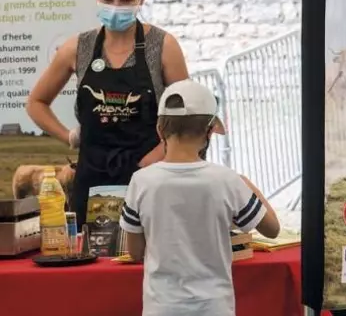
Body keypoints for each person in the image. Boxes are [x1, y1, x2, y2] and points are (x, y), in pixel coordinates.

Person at [27, 0, 189, 226]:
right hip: (93, 177)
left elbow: (190, 113)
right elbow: (36, 102)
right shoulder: (78, 48)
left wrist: (163, 151)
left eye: (126, 0)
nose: (116, 7)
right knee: (94, 257)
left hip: (151, 174)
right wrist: (69, 136)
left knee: (147, 256)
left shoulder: (162, 46)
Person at [119, 78, 281, 316]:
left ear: (159, 129)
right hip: (214, 307)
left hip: (161, 307)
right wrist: (246, 184)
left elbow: (135, 252)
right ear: (210, 131)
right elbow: (272, 229)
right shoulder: (227, 180)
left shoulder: (140, 181)